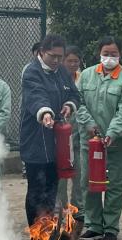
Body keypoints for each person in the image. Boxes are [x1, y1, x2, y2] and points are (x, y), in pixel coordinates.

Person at [74, 37, 122, 240]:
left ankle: (110, 227)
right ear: (99, 54)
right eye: (106, 53)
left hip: (116, 143)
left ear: (120, 55)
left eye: (113, 54)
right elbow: (78, 103)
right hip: (89, 141)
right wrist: (89, 124)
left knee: (115, 185)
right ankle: (93, 225)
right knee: (88, 182)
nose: (109, 57)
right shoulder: (86, 75)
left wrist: (112, 132)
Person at [20, 34, 80, 226]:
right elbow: (36, 96)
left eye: (59, 57)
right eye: (52, 56)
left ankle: (49, 229)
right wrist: (45, 112)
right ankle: (37, 232)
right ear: (41, 52)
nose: (56, 60)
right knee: (37, 190)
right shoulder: (31, 72)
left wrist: (69, 105)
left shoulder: (62, 71)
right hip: (36, 139)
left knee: (52, 188)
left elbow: (74, 94)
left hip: (57, 140)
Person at [59, 46, 85, 216]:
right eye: (70, 61)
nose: (73, 64)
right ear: (63, 61)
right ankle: (62, 208)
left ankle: (78, 209)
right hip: (61, 135)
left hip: (79, 134)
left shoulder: (82, 79)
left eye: (76, 61)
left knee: (80, 174)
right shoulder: (57, 79)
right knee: (61, 176)